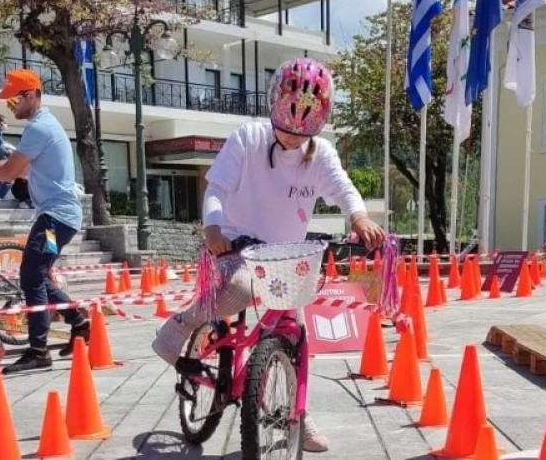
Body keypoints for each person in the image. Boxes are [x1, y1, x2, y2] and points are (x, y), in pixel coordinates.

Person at [151, 58, 385, 453]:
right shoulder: (248, 138)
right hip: (235, 247)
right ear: (273, 107)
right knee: (240, 289)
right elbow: (216, 190)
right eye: (285, 127)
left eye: (302, 131)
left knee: (296, 332)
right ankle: (182, 324)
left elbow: (344, 189)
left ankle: (299, 411)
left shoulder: (321, 153)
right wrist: (212, 229)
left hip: (286, 258)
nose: (292, 138)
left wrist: (359, 217)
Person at [0, 69, 89, 374]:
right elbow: (16, 169)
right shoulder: (43, 126)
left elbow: (8, 172)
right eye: (9, 104)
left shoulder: (40, 129)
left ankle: (38, 350)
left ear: (32, 94)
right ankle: (78, 320)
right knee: (37, 273)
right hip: (59, 218)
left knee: (32, 275)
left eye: (14, 101)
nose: (11, 108)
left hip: (56, 218)